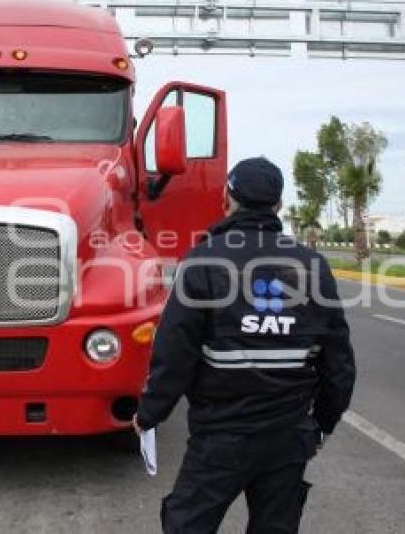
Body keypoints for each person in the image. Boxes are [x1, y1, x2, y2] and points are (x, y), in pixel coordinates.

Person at [133, 157, 356, 534]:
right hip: (288, 438)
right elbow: (339, 363)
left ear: (226, 199)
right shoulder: (312, 265)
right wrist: (321, 424)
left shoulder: (203, 261)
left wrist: (150, 413)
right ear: (279, 207)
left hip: (221, 436)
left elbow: (175, 352)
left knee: (188, 525)